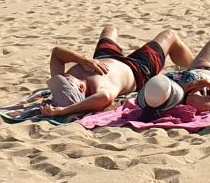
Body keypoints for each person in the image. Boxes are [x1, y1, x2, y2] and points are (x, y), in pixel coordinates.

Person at [41, 25, 192, 119]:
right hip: (138, 68)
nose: (66, 75)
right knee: (169, 35)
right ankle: (195, 67)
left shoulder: (61, 88)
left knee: (110, 29)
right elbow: (105, 97)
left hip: (103, 58)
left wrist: (83, 60)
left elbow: (57, 53)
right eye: (68, 78)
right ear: (81, 88)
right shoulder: (99, 88)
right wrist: (64, 111)